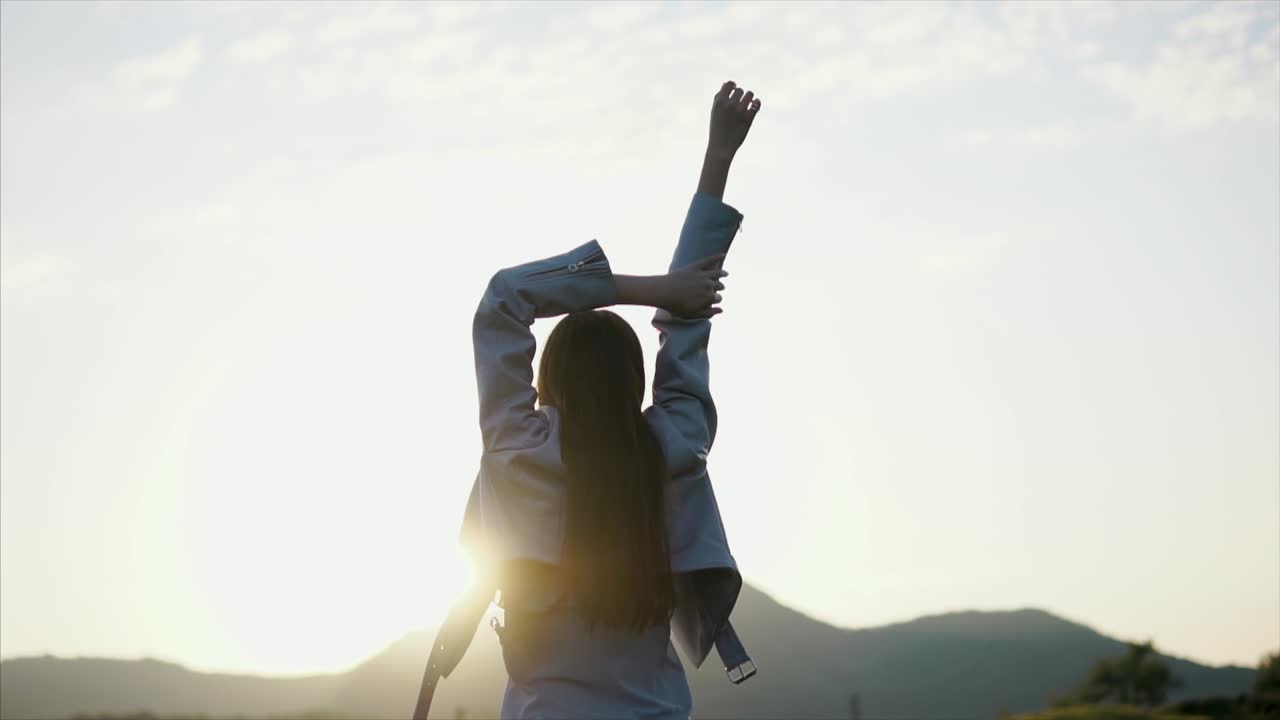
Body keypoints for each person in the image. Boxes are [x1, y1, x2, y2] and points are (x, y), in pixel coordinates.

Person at [415, 80, 762, 720]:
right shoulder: (669, 448)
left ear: (550, 377)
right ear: (633, 382)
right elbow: (688, 324)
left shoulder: (520, 449)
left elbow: (504, 299)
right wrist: (718, 159)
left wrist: (643, 286)